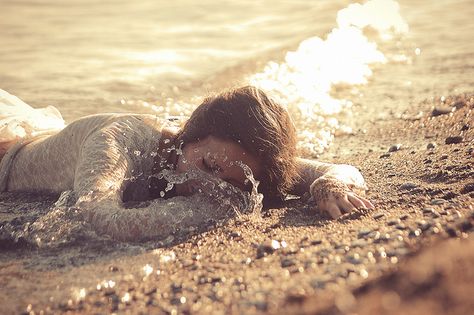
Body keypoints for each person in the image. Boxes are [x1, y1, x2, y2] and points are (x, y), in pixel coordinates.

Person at [0, 86, 373, 241]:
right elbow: (98, 216)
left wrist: (329, 187)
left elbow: (338, 170)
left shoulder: (233, 160)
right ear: (189, 136)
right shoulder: (118, 142)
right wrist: (206, 214)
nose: (208, 185)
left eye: (233, 182)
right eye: (208, 166)